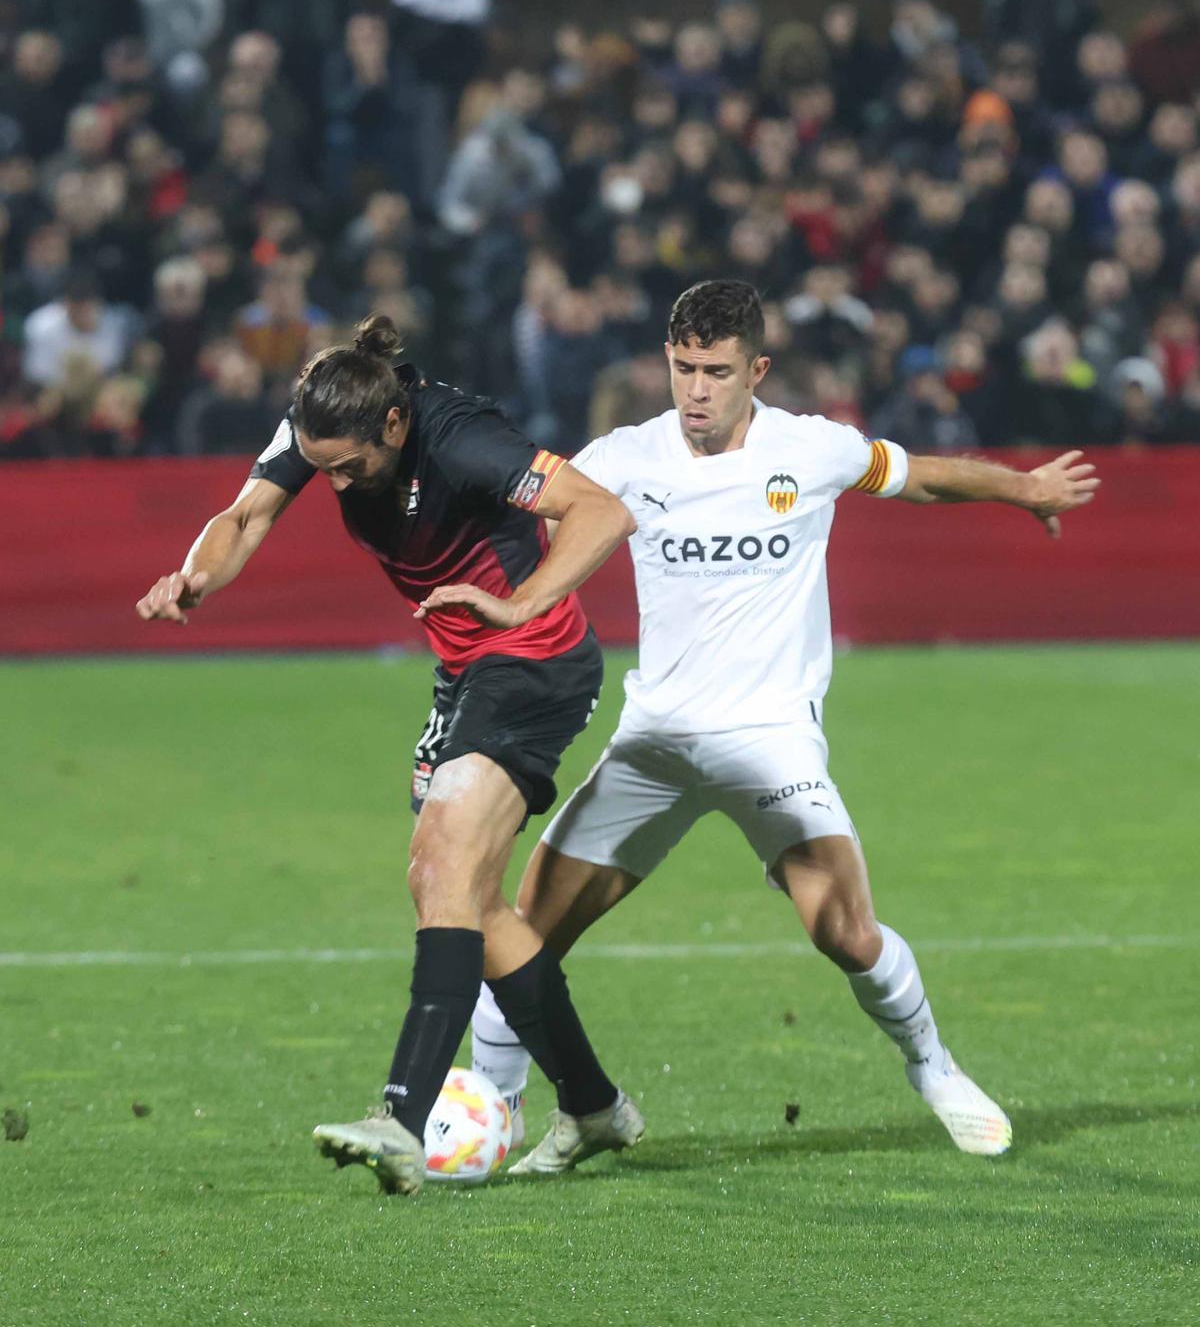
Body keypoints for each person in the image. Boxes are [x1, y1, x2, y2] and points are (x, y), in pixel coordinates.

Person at [471, 279, 1099, 1171]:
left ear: (756, 370)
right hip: (654, 742)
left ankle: (933, 1066)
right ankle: (508, 1111)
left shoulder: (813, 451)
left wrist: (1021, 487)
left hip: (769, 740)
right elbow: (514, 495)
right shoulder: (622, 458)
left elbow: (921, 478)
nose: (695, 390)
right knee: (525, 934)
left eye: (716, 372)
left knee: (845, 931)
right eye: (683, 368)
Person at [134, 315, 642, 1196]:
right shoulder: (325, 425)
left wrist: (520, 604)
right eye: (318, 463)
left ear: (395, 426)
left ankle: (402, 1119)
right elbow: (247, 512)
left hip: (534, 665)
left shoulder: (463, 439)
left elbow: (603, 511)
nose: (330, 483)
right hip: (464, 677)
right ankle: (595, 1106)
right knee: (465, 897)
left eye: (347, 468)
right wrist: (196, 578)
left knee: (443, 859)